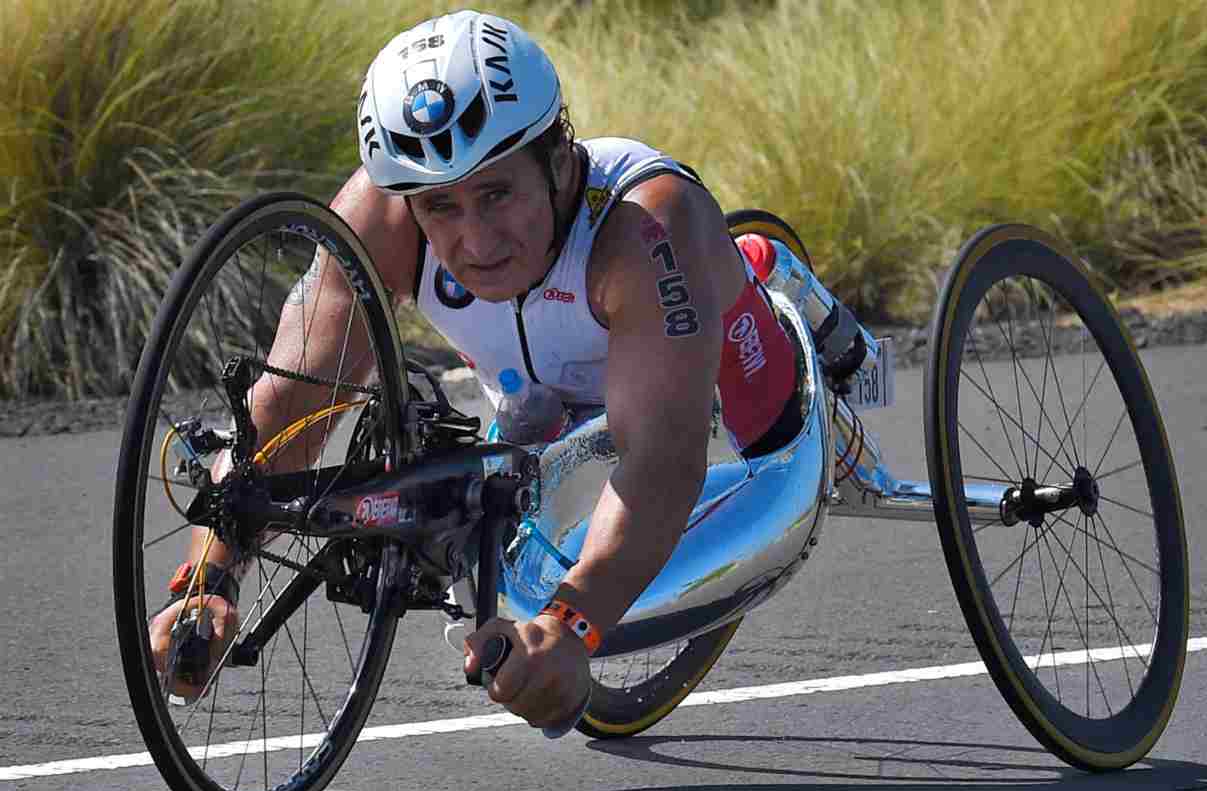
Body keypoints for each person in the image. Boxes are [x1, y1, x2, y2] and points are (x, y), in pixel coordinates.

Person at [148, 9, 802, 730]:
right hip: (542, 408)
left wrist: (573, 624)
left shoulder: (640, 230)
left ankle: (767, 275)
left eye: (496, 194)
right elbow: (284, 409)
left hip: (714, 388)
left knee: (766, 429)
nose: (477, 240)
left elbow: (662, 461)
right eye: (442, 207)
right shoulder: (382, 218)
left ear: (558, 161)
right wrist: (209, 579)